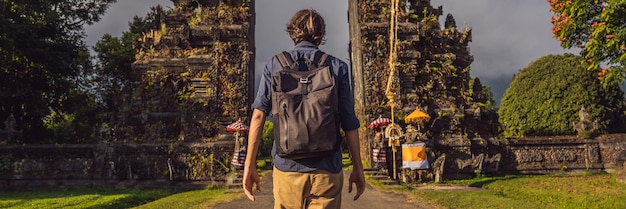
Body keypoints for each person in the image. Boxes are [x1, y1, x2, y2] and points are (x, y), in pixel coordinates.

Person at [243, 9, 365, 209]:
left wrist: (249, 165)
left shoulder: (275, 65)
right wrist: (358, 168)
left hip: (287, 170)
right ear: (321, 34)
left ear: (292, 32)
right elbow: (350, 122)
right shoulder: (336, 67)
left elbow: (258, 116)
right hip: (327, 170)